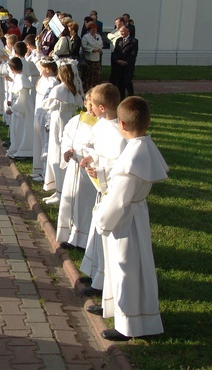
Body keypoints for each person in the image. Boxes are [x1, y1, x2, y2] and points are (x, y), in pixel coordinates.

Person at [92, 96, 167, 341]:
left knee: (127, 269)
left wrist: (101, 218)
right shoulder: (144, 146)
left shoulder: (130, 159)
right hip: (138, 213)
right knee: (134, 267)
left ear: (122, 125)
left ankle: (129, 325)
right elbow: (123, 182)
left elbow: (118, 198)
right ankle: (125, 312)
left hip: (125, 219)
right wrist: (101, 173)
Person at [78, 83, 126, 298]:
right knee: (96, 232)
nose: (91, 110)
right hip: (101, 187)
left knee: (106, 236)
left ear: (103, 107)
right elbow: (99, 150)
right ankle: (95, 271)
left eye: (94, 106)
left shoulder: (118, 133)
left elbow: (121, 164)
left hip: (112, 191)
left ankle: (102, 281)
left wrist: (101, 171)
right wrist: (92, 158)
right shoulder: (101, 125)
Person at [56, 89, 98, 250]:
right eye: (89, 104)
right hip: (73, 167)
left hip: (88, 170)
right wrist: (67, 152)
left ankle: (84, 239)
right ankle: (71, 236)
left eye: (94, 105)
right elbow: (66, 138)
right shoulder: (75, 121)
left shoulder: (102, 125)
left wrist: (86, 154)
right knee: (71, 199)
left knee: (85, 204)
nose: (90, 109)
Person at [41, 61, 83, 205]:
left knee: (58, 155)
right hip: (63, 119)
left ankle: (61, 191)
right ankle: (58, 188)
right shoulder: (70, 89)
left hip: (59, 121)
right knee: (55, 153)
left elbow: (45, 104)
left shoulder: (59, 89)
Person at [31, 58, 58, 182]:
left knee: (45, 142)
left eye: (42, 68)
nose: (40, 70)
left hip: (46, 114)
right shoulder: (43, 80)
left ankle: (45, 171)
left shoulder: (53, 83)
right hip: (39, 112)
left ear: (48, 69)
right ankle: (38, 169)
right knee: (39, 140)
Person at [4, 57, 35, 159]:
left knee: (22, 129)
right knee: (16, 129)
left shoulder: (22, 78)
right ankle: (16, 147)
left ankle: (23, 150)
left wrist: (12, 109)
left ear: (12, 69)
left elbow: (22, 97)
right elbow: (16, 88)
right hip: (18, 107)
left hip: (23, 110)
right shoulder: (19, 77)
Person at [110, 25, 138, 99]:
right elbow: (115, 52)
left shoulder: (133, 41)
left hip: (128, 66)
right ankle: (121, 98)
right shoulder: (118, 40)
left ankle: (131, 97)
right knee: (120, 84)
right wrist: (117, 60)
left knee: (127, 82)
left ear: (127, 32)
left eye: (123, 31)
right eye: (120, 31)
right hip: (119, 65)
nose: (121, 33)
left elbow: (133, 54)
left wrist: (126, 62)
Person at [81, 21, 103, 92]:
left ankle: (96, 89)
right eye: (92, 29)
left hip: (97, 59)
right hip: (89, 59)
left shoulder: (98, 36)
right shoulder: (86, 37)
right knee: (88, 76)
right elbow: (84, 46)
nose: (94, 31)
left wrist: (100, 49)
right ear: (89, 29)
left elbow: (101, 44)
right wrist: (92, 49)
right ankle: (88, 89)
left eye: (95, 29)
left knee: (97, 76)